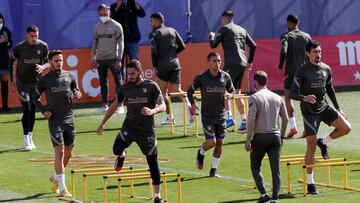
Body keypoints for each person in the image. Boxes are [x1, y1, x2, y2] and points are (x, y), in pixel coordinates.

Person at [97, 59, 165, 203]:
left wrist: (152, 110)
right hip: (130, 127)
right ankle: (122, 155)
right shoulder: (125, 87)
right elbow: (115, 105)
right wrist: (102, 123)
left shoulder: (151, 86)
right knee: (116, 149)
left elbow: (163, 105)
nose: (130, 76)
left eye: (133, 73)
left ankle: (157, 195)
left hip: (146, 131)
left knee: (152, 162)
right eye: (128, 74)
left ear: (140, 72)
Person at [290, 40, 352, 195]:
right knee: (311, 146)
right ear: (308, 54)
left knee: (346, 128)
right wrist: (305, 98)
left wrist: (338, 108)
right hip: (309, 112)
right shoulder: (302, 71)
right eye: (315, 52)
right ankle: (311, 184)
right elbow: (292, 93)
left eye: (319, 51)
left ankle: (323, 142)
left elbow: (330, 88)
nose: (318, 55)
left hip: (324, 108)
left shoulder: (326, 68)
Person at [34, 50, 82, 198]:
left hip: (69, 119)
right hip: (55, 120)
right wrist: (43, 111)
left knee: (68, 153)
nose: (59, 63)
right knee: (60, 152)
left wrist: (78, 94)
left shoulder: (69, 75)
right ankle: (63, 188)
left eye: (61, 60)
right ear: (50, 62)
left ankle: (55, 178)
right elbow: (34, 98)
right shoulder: (44, 80)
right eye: (56, 61)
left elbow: (76, 90)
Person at [188, 52, 235, 177]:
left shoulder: (225, 77)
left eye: (219, 61)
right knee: (212, 142)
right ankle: (201, 152)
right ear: (208, 62)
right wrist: (192, 104)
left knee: (220, 143)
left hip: (221, 115)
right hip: (207, 116)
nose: (217, 64)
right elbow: (189, 91)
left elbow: (232, 90)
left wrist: (230, 95)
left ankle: (213, 170)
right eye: (214, 61)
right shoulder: (202, 77)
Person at [245, 70, 288, 203]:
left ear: (255, 83)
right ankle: (275, 198)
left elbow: (251, 120)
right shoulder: (277, 97)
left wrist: (248, 139)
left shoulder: (254, 97)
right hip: (275, 136)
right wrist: (282, 136)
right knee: (276, 170)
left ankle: (264, 194)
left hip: (260, 137)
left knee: (255, 166)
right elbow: (285, 119)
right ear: (267, 82)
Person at [209, 10, 256, 131]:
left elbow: (213, 45)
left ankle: (229, 117)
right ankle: (244, 120)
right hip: (242, 63)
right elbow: (253, 45)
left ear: (224, 19)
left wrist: (211, 37)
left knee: (222, 89)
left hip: (232, 63)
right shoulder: (242, 29)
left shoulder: (224, 29)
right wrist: (249, 62)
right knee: (236, 92)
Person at [149, 12, 194, 125]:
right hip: (175, 64)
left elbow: (154, 52)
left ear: (158, 21)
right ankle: (189, 105)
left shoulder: (154, 33)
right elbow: (182, 46)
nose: (151, 23)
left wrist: (154, 65)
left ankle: (170, 118)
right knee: (177, 90)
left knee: (161, 92)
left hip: (162, 66)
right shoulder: (172, 30)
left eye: (152, 21)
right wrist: (173, 54)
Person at [9, 24, 49, 151]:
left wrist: (43, 67)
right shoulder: (19, 48)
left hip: (35, 84)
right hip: (22, 83)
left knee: (32, 110)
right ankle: (26, 139)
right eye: (32, 36)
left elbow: (48, 62)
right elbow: (11, 62)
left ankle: (30, 136)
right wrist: (11, 80)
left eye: (36, 36)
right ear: (27, 35)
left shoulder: (43, 46)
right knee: (26, 108)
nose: (34, 38)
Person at [277, 14, 311, 138]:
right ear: (298, 22)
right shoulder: (307, 36)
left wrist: (280, 66)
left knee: (288, 98)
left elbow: (283, 51)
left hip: (291, 72)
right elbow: (311, 53)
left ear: (288, 23)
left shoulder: (286, 36)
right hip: (305, 72)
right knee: (306, 98)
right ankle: (308, 128)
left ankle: (293, 127)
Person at [91, 4, 124, 114]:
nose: (103, 16)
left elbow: (121, 43)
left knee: (118, 82)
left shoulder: (117, 26)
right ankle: (104, 105)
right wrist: (93, 58)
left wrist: (119, 59)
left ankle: (120, 105)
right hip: (100, 59)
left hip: (113, 58)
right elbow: (95, 44)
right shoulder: (97, 27)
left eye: (105, 14)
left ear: (110, 13)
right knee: (102, 82)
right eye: (101, 14)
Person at [0, 13, 12, 112]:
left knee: (4, 85)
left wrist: (7, 41)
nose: (0, 23)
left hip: (3, 61)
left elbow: (9, 44)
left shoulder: (5, 30)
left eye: (1, 21)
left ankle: (5, 105)